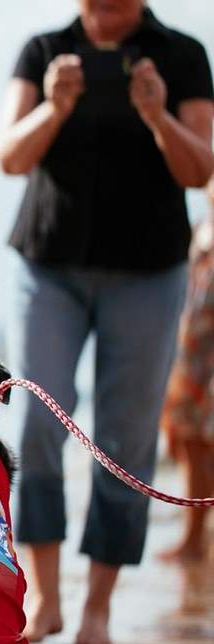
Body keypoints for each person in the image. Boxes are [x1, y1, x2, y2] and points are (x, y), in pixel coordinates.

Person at [0, 0, 213, 644]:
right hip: (48, 263)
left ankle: (97, 608)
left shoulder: (181, 55)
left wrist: (157, 115)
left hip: (149, 269)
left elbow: (200, 169)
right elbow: (9, 156)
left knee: (124, 437)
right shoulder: (43, 50)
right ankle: (46, 597)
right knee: (37, 421)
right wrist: (54, 107)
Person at [160, 177, 214, 564]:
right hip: (188, 350)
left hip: (203, 353)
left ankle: (195, 538)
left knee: (199, 444)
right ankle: (194, 536)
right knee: (183, 439)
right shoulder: (200, 229)